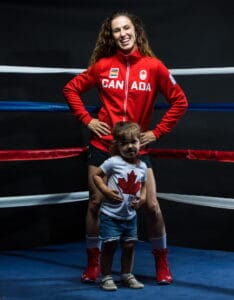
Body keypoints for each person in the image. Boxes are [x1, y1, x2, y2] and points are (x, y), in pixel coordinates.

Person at [63, 10, 188, 285]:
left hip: (136, 149)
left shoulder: (154, 67)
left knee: (151, 205)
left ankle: (162, 262)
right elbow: (71, 89)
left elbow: (180, 101)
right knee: (96, 202)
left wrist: (157, 132)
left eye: (126, 28)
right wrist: (88, 119)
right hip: (103, 144)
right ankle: (94, 263)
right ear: (112, 35)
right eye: (117, 30)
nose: (122, 34)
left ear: (136, 31)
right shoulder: (103, 66)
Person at [94, 121, 146, 291]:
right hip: (110, 215)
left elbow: (143, 185)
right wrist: (106, 191)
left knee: (129, 246)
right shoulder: (113, 162)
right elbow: (97, 176)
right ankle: (106, 277)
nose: (130, 146)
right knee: (110, 245)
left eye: (133, 142)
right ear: (117, 145)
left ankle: (126, 275)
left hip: (130, 215)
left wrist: (143, 198)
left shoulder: (142, 166)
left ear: (140, 142)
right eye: (124, 143)